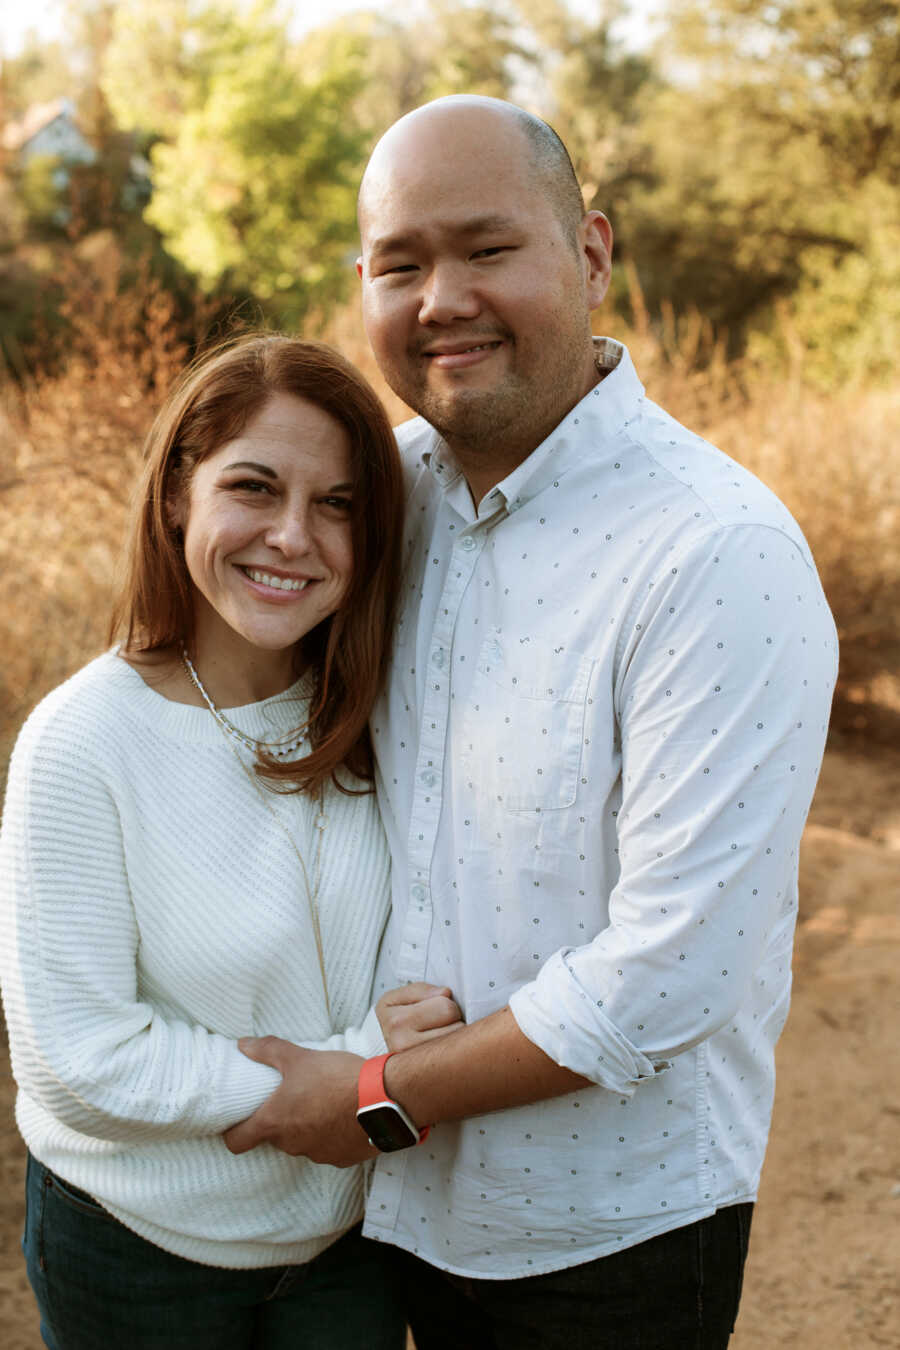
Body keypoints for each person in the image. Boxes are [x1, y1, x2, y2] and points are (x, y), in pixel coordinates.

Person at [222, 99, 839, 1349]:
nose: (442, 296)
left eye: (487, 248)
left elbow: (669, 977)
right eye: (400, 263)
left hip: (602, 1233)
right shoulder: (372, 501)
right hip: (365, 1217)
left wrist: (375, 1095)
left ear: (594, 254)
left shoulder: (714, 553)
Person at [0, 334, 460, 1350]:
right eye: (254, 488)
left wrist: (377, 1074)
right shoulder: (82, 742)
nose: (293, 536)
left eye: (336, 504)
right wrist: (351, 1079)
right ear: (177, 494)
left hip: (348, 1246)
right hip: (137, 1249)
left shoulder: (387, 720)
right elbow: (77, 1054)